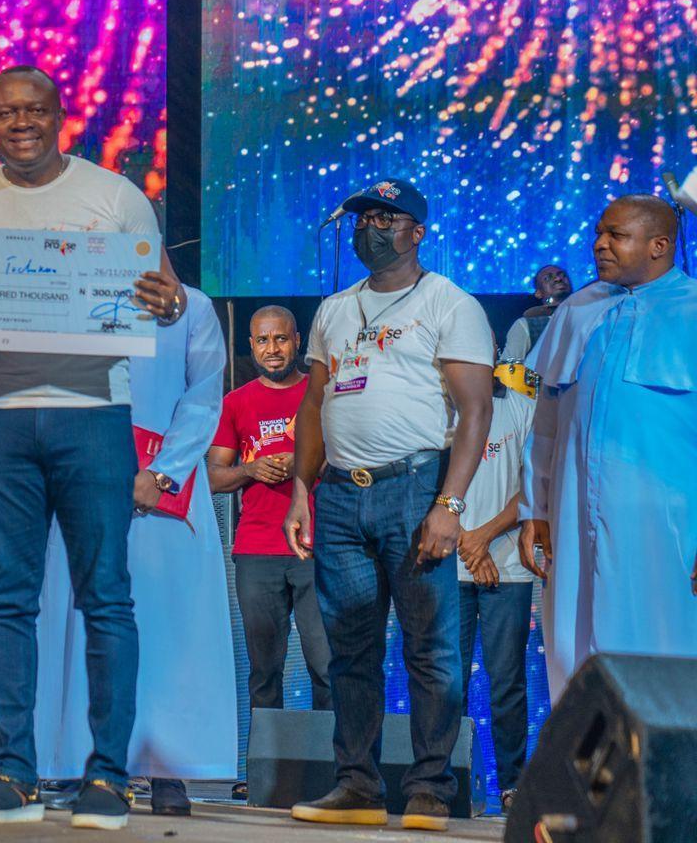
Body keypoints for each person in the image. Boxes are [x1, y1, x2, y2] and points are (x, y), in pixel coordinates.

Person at [0, 65, 181, 831]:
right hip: (2, 417)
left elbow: (166, 297)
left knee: (105, 597)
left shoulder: (114, 196)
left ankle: (106, 780)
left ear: (59, 116)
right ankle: (12, 775)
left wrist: (169, 300)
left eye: (35, 110)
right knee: (7, 601)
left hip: (93, 416)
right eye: (6, 112)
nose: (22, 122)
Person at [283, 177, 494, 832]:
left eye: (386, 218)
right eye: (363, 218)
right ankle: (357, 786)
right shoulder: (335, 309)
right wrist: (300, 488)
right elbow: (314, 404)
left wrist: (450, 503)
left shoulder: (448, 302)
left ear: (417, 231)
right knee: (350, 650)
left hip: (415, 490)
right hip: (341, 495)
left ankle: (429, 789)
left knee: (430, 649)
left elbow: (476, 409)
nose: (371, 228)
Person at [35, 284, 236, 817]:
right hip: (86, 476)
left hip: (164, 488)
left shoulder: (193, 308)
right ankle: (95, 764)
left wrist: (163, 473)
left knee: (169, 628)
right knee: (87, 622)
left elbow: (204, 395)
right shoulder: (76, 296)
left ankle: (168, 769)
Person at [519, 194, 697, 701]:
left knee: (669, 652)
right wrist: (537, 508)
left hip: (668, 535)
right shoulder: (577, 310)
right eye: (600, 232)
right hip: (577, 528)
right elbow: (547, 423)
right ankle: (585, 778)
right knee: (576, 653)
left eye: (616, 235)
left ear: (660, 246)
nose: (600, 244)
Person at [208, 306, 331, 764]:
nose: (272, 349)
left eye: (280, 339)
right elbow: (213, 476)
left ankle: (331, 773)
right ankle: (264, 773)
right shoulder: (236, 402)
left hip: (317, 547)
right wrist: (251, 468)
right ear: (252, 346)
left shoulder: (322, 395)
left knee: (327, 666)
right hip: (257, 549)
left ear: (297, 340)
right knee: (264, 671)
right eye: (262, 341)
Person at [457, 355, 537, 811]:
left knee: (506, 680)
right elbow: (427, 482)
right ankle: (454, 782)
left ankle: (512, 785)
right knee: (446, 682)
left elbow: (534, 485)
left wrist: (482, 539)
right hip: (447, 563)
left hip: (506, 566)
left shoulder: (521, 407)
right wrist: (466, 546)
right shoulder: (436, 405)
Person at [501, 264, 572, 362]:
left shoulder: (589, 318)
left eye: (563, 275)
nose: (558, 279)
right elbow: (509, 368)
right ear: (538, 293)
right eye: (548, 278)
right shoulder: (525, 326)